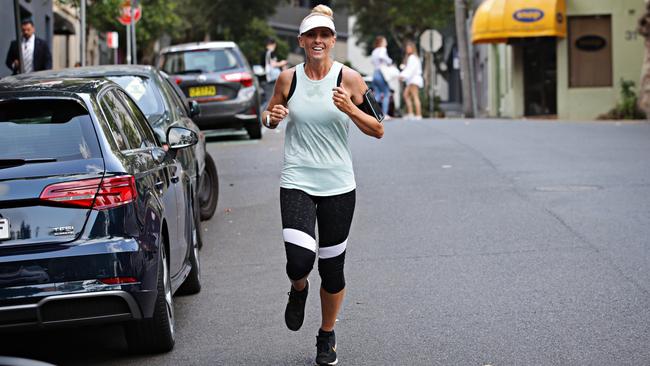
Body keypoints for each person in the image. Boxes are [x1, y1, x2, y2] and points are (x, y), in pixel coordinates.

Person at [262, 4, 383, 365]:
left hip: (339, 185)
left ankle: (326, 334)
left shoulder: (350, 79)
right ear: (301, 40)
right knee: (299, 262)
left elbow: (377, 128)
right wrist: (273, 117)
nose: (318, 40)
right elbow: (269, 116)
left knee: (332, 269)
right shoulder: (288, 79)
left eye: (324, 35)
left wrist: (350, 108)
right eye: (311, 35)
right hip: (297, 180)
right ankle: (298, 290)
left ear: (333, 40)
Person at [399, 41, 424, 119]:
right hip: (411, 79)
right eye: (407, 48)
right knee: (406, 95)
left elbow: (410, 70)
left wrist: (402, 76)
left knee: (414, 96)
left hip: (414, 79)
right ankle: (411, 113)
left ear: (413, 49)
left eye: (409, 48)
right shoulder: (411, 57)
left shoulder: (412, 58)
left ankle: (418, 115)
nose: (407, 49)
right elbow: (408, 69)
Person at [370, 35, 393, 118]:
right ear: (381, 42)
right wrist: (389, 61)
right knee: (386, 93)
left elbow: (372, 61)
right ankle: (385, 114)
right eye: (385, 41)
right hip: (382, 73)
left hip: (375, 73)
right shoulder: (383, 49)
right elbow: (382, 57)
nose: (386, 43)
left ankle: (373, 112)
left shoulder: (374, 51)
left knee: (377, 94)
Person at [260, 37, 287, 106]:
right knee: (269, 100)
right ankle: (263, 115)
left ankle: (263, 114)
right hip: (270, 79)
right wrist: (282, 63)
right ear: (271, 44)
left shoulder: (264, 53)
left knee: (267, 99)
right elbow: (273, 64)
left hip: (265, 79)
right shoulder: (270, 53)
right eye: (274, 45)